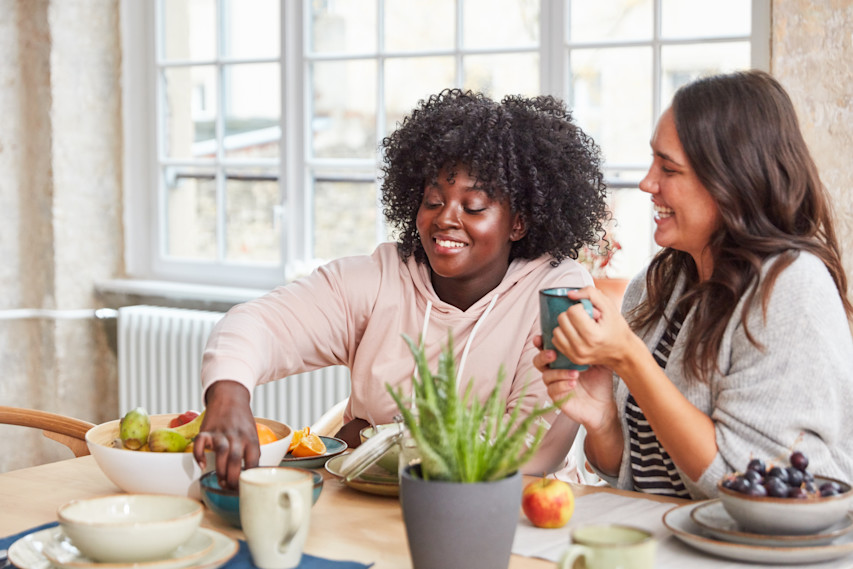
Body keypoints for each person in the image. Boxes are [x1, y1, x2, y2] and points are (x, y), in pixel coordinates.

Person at [194, 89, 610, 488]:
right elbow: (257, 324)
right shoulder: (382, 277)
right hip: (373, 503)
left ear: (518, 221)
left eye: (473, 206)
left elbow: (527, 449)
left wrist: (370, 438)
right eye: (432, 201)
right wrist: (229, 394)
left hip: (517, 513)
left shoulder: (558, 291)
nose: (446, 218)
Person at [536, 70, 853, 499]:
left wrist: (630, 359)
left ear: (733, 181)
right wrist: (603, 421)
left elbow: (746, 489)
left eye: (669, 168)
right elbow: (640, 473)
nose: (648, 183)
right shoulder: (659, 284)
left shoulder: (792, 289)